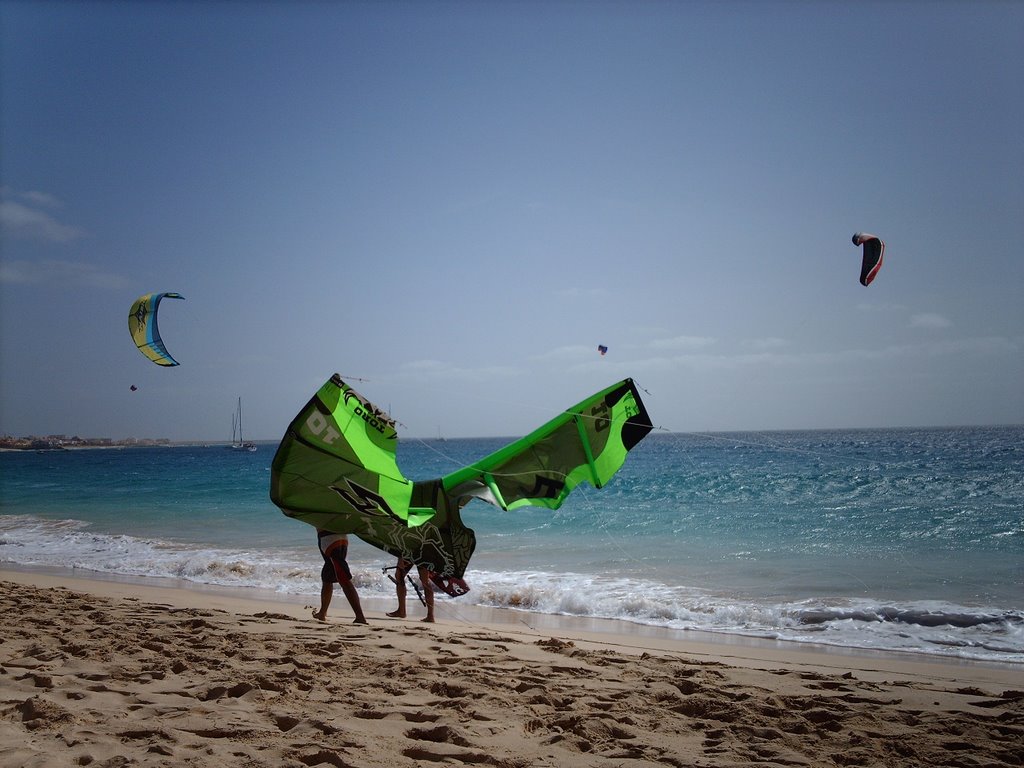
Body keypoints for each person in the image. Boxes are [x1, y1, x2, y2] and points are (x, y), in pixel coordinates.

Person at [313, 529, 367, 624]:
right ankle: (322, 613)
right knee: (327, 576)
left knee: (344, 578)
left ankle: (360, 617)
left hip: (330, 541)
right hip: (341, 538)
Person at [386, 557, 434, 622]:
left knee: (399, 575)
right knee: (425, 580)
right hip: (424, 552)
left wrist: (400, 558)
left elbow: (405, 546)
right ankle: (430, 615)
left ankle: (401, 611)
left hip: (411, 552)